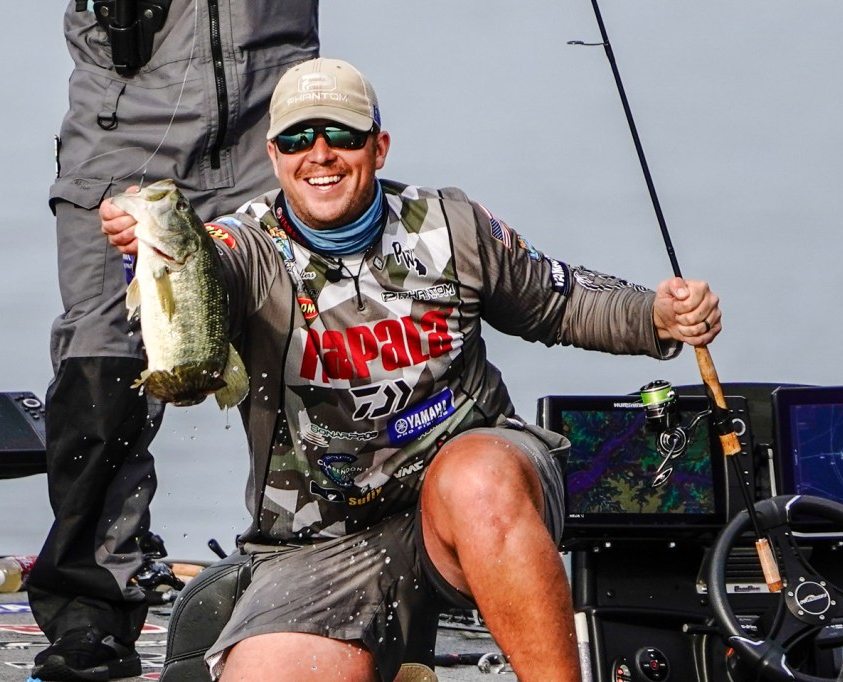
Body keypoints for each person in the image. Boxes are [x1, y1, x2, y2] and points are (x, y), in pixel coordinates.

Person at [100, 57, 723, 682]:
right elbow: (201, 270)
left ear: (379, 147)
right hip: (321, 542)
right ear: (273, 155)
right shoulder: (244, 246)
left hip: (470, 501)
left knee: (476, 479)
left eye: (342, 135)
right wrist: (144, 247)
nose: (320, 154)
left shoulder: (453, 226)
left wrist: (658, 316)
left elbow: (559, 301)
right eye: (297, 139)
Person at [27, 3, 319, 680]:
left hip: (274, 122)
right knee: (100, 365)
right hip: (122, 128)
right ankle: (91, 611)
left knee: (309, 348)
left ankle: (313, 577)